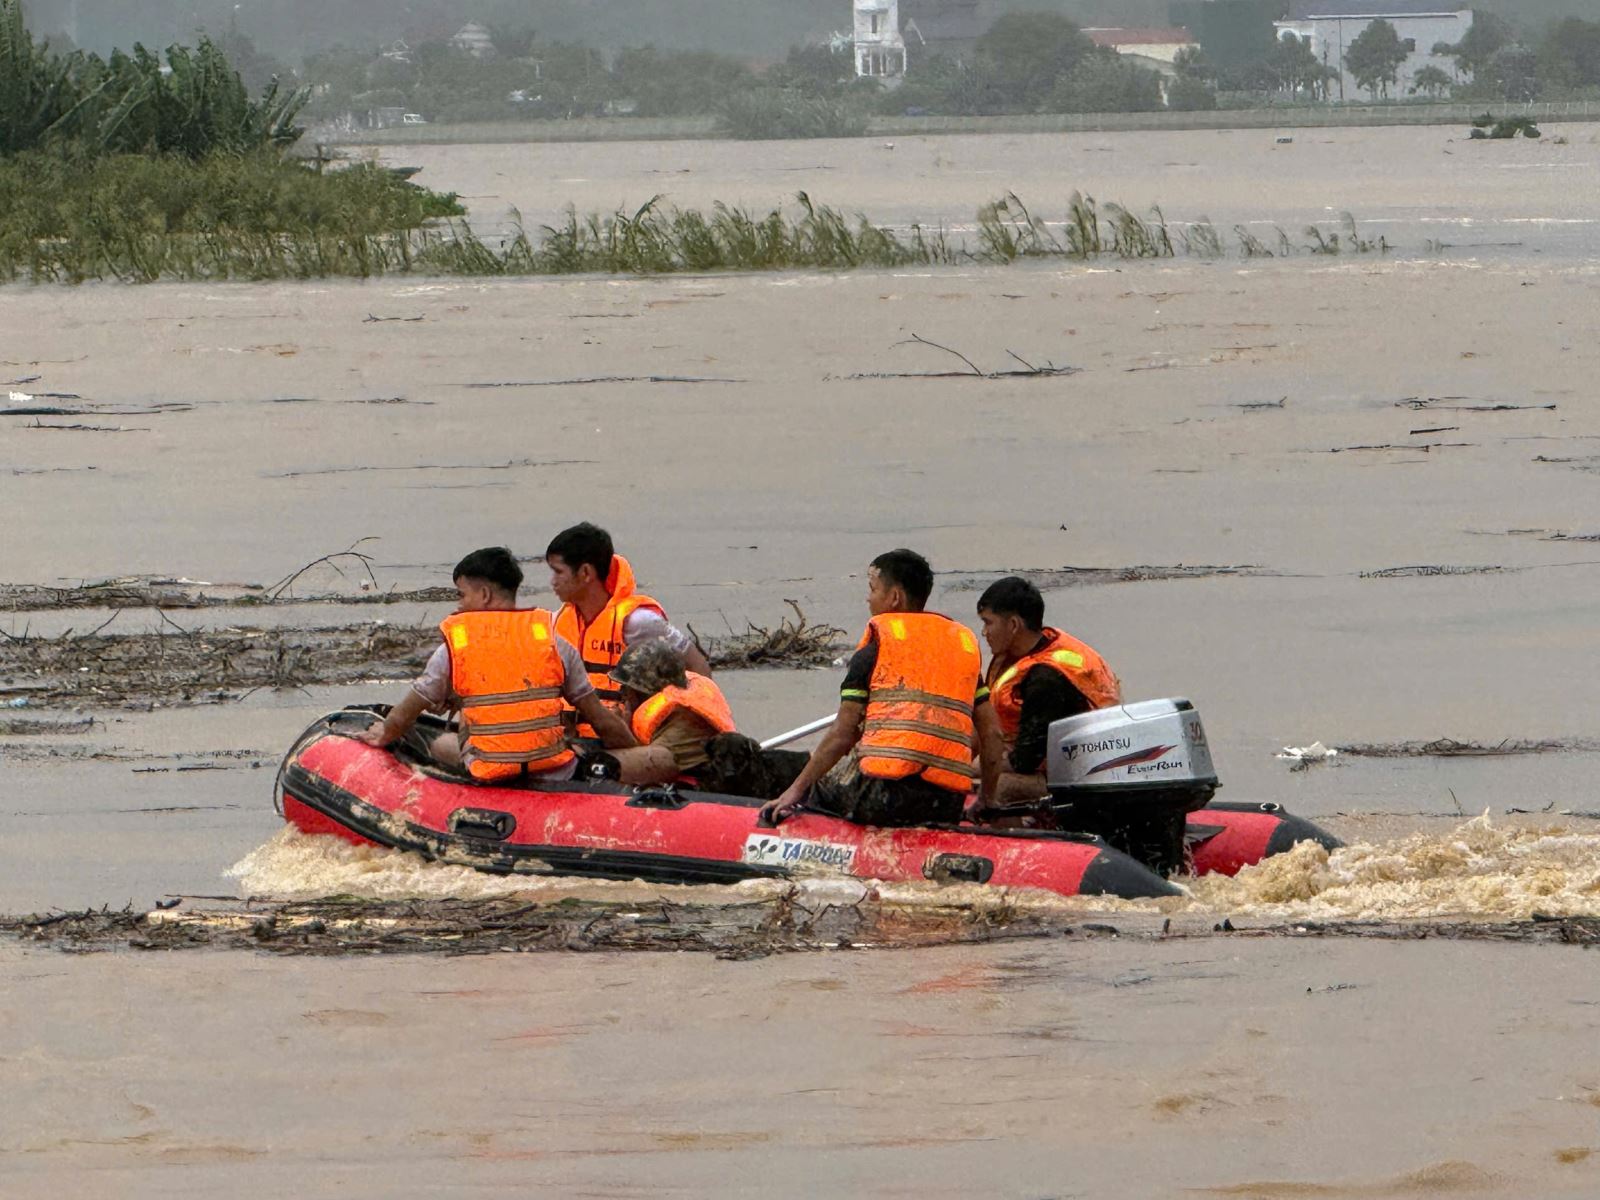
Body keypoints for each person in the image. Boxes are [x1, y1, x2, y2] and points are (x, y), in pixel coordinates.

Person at [760, 549, 1003, 828]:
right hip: (946, 803)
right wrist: (987, 799)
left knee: (818, 789)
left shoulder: (876, 649)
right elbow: (992, 733)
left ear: (894, 597)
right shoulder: (960, 650)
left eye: (873, 589)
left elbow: (844, 732)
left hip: (885, 798)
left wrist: (796, 790)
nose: (868, 598)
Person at [357, 547, 635, 780]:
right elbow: (601, 720)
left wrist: (385, 733)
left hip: (491, 771)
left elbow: (407, 711)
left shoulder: (457, 646)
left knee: (441, 744)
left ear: (485, 595)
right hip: (554, 770)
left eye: (463, 594)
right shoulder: (553, 641)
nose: (460, 605)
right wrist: (634, 753)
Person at [546, 522, 712, 737]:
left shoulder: (638, 622)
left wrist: (692, 726)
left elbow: (699, 669)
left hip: (625, 741)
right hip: (572, 740)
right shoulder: (558, 620)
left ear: (586, 573)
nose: (553, 582)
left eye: (559, 572)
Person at [976, 575, 1121, 805]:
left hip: (1080, 776)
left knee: (999, 785)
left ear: (1013, 625)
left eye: (988, 622)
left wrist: (977, 768)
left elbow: (1024, 762)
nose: (984, 632)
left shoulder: (1046, 680)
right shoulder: (1010, 657)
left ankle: (1013, 837)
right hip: (1038, 762)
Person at [607, 641, 738, 786]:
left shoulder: (684, 722)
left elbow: (646, 766)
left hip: (700, 789)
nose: (622, 695)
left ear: (641, 691)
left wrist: (621, 732)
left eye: (626, 689)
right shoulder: (679, 695)